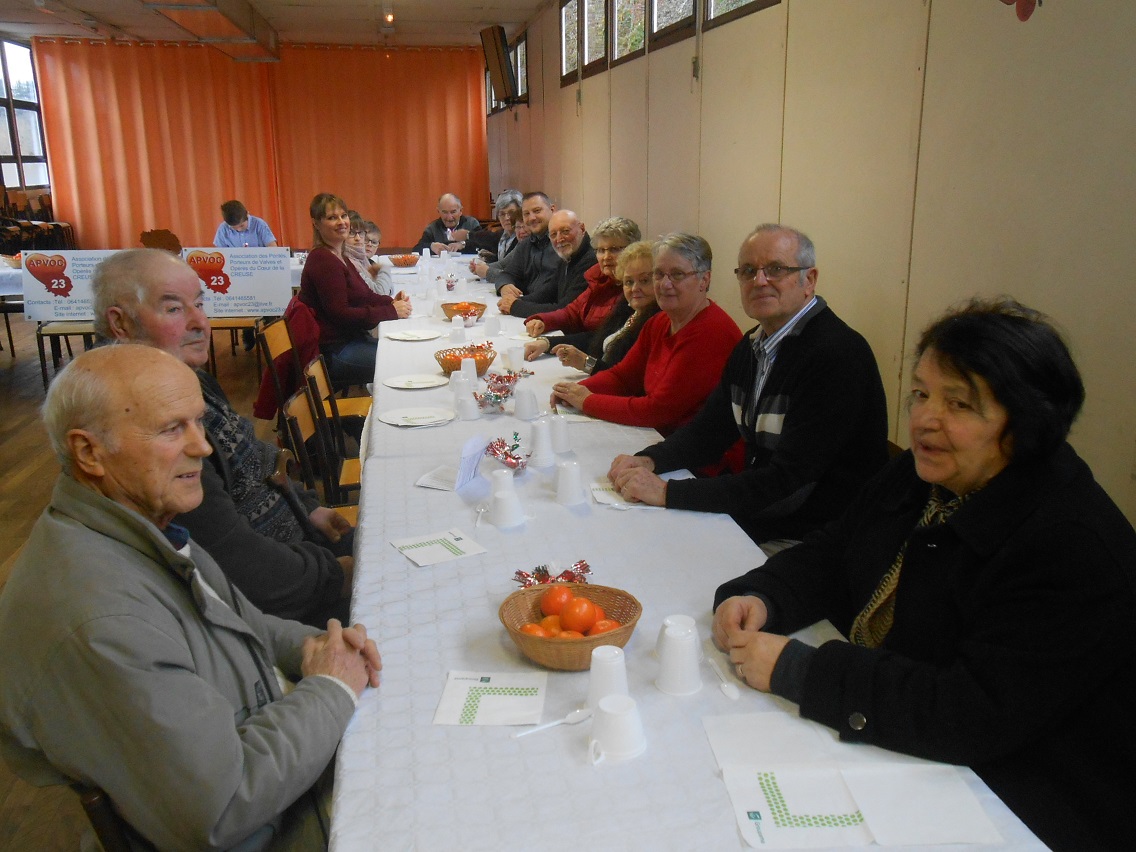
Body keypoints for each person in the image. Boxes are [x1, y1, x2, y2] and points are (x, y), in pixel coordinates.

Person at [711, 298, 1136, 851]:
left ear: (1025, 422)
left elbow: (973, 710)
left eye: (958, 403)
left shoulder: (1070, 545)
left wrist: (802, 671)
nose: (925, 419)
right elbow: (836, 549)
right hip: (903, 733)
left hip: (1025, 799)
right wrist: (763, 595)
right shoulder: (925, 475)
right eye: (921, 393)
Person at [0, 344, 382, 850]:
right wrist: (331, 689)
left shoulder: (143, 526)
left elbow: (247, 623)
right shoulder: (99, 621)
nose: (203, 448)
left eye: (199, 423)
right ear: (89, 451)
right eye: (170, 429)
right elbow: (223, 809)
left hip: (280, 752)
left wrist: (315, 648)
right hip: (278, 824)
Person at [93, 247, 354, 627]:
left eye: (199, 303)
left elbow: (253, 456)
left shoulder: (186, 379)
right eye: (174, 309)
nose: (200, 322)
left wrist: (307, 507)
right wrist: (337, 574)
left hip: (300, 554)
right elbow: (235, 563)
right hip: (279, 607)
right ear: (121, 324)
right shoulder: (144, 425)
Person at [608, 224, 888, 553]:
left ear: (809, 280)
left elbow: (787, 483)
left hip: (820, 538)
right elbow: (709, 432)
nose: (759, 281)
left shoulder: (837, 356)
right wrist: (648, 461)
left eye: (776, 270)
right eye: (748, 271)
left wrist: (669, 493)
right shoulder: (753, 346)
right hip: (770, 513)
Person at [551, 233, 741, 436]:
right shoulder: (660, 321)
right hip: (656, 436)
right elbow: (622, 377)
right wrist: (574, 391)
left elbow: (657, 410)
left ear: (705, 280)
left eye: (677, 274)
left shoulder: (711, 332)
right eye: (658, 274)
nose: (665, 284)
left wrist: (585, 399)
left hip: (699, 458)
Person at [298, 192, 411, 386]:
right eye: (332, 218)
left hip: (351, 341)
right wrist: (390, 311)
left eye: (343, 216)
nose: (341, 222)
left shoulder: (338, 254)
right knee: (402, 362)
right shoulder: (323, 260)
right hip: (335, 351)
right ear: (316, 224)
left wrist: (390, 302)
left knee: (405, 354)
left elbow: (365, 294)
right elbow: (341, 314)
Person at [528, 239, 660, 375]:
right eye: (629, 282)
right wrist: (547, 342)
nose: (634, 288)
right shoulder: (630, 310)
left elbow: (629, 379)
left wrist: (586, 363)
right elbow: (597, 337)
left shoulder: (657, 323)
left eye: (644, 280)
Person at [523, 216, 641, 362]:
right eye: (600, 250)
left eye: (614, 249)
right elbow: (573, 312)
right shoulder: (600, 277)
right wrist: (543, 321)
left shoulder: (635, 292)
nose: (605, 257)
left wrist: (548, 342)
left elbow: (601, 336)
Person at [498, 209, 595, 318]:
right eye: (553, 234)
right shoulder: (568, 256)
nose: (559, 239)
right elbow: (548, 292)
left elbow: (566, 309)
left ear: (582, 228)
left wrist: (515, 306)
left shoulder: (591, 262)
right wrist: (516, 300)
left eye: (565, 231)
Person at [486, 191, 558, 300]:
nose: (532, 218)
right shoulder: (526, 244)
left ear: (552, 210)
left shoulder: (561, 244)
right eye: (526, 214)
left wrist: (518, 304)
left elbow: (550, 292)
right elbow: (507, 274)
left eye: (537, 211)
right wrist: (504, 286)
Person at [411, 192, 482, 255]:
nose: (449, 217)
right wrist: (431, 246)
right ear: (438, 211)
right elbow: (417, 249)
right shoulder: (432, 228)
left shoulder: (472, 223)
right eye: (444, 212)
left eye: (453, 212)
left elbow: (483, 245)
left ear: (460, 211)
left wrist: (463, 244)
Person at [467, 189, 522, 266]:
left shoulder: (522, 238)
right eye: (502, 214)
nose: (507, 218)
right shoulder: (503, 235)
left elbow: (511, 268)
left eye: (511, 212)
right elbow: (503, 261)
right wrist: (491, 258)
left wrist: (488, 269)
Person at [213, 199, 277, 248]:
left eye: (242, 225)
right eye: (234, 228)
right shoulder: (223, 229)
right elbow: (220, 254)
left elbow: (273, 248)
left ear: (247, 214)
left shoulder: (259, 224)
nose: (239, 230)